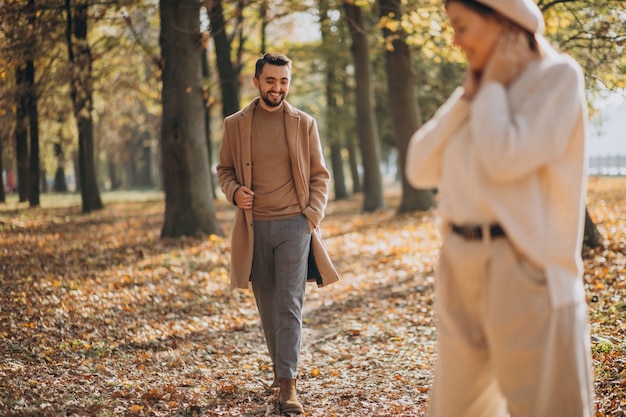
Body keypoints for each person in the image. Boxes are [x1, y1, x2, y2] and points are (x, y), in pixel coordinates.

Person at [406, 0, 594, 416]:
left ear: (501, 22)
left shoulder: (556, 78)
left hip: (524, 271)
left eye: (461, 26)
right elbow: (418, 167)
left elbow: (503, 158)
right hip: (459, 266)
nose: (454, 40)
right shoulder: (475, 92)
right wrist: (469, 95)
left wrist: (491, 88)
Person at [216, 52, 339, 414]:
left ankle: (288, 387)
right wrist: (235, 192)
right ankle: (280, 370)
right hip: (255, 228)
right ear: (256, 81)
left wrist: (311, 217)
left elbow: (320, 176)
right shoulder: (235, 124)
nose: (277, 88)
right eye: (270, 81)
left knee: (289, 304)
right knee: (268, 307)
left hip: (294, 226)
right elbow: (224, 169)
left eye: (283, 81)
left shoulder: (304, 123)